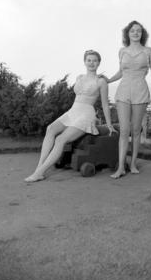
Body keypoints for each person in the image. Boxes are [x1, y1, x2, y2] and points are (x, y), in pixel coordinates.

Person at [101, 21, 151, 179]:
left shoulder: (148, 51)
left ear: (142, 34)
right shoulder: (122, 51)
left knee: (136, 130)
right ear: (127, 34)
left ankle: (133, 164)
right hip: (123, 92)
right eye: (132, 31)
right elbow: (121, 72)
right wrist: (108, 80)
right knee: (124, 131)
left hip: (140, 92)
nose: (135, 33)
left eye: (138, 31)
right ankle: (121, 167)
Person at [25, 50, 116, 183]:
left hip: (86, 114)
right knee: (50, 129)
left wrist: (109, 125)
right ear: (85, 62)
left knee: (61, 139)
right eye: (89, 60)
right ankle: (40, 166)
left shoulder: (101, 82)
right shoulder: (79, 77)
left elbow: (105, 105)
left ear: (99, 63)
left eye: (95, 60)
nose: (91, 63)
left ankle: (39, 172)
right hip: (73, 111)